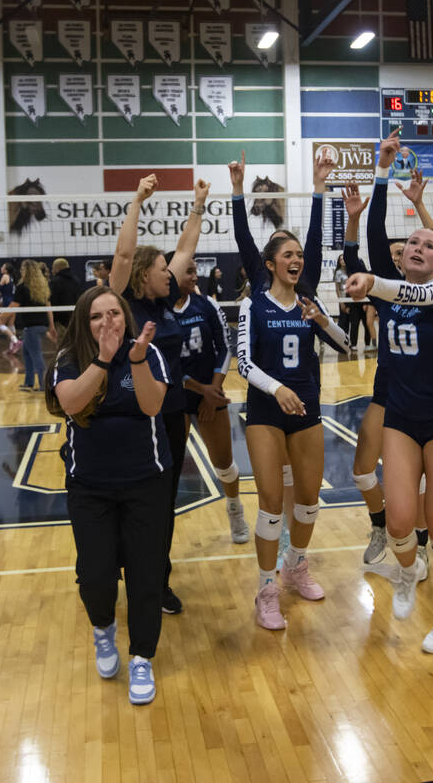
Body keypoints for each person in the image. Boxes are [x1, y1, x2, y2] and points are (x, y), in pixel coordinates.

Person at [342, 130, 433, 653]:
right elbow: (370, 246)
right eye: (412, 244)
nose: (417, 248)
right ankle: (405, 570)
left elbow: (395, 284)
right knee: (398, 521)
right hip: (400, 416)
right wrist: (381, 170)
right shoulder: (392, 291)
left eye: (428, 245)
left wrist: (373, 283)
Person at [44, 286, 169, 705]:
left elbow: (152, 406)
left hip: (145, 484)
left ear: (125, 317)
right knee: (96, 577)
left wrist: (133, 361)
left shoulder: (148, 354)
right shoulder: (69, 360)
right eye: (96, 316)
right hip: (90, 488)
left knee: (145, 575)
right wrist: (102, 359)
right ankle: (103, 629)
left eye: (113, 313)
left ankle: (142, 657)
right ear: (85, 322)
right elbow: (73, 402)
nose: (107, 322)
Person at [237, 228, 349, 630]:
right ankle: (267, 590)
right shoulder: (253, 305)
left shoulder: (308, 302)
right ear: (270, 264)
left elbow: (346, 344)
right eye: (288, 254)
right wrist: (277, 388)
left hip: (307, 408)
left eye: (299, 254)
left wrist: (321, 319)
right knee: (270, 503)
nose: (296, 260)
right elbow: (244, 364)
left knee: (308, 500)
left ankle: (296, 565)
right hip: (267, 410)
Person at [109, 175, 209, 615]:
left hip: (172, 418)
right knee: (132, 502)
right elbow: (124, 254)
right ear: (144, 275)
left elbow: (186, 248)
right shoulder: (125, 305)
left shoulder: (167, 305)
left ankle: (156, 579)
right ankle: (111, 565)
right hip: (135, 420)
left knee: (164, 505)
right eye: (164, 270)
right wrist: (136, 201)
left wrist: (199, 206)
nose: (174, 273)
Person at [173, 262, 247, 544]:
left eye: (195, 271)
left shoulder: (206, 306)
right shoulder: (159, 311)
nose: (195, 276)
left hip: (211, 394)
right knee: (169, 467)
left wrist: (212, 390)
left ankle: (234, 509)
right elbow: (165, 364)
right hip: (175, 397)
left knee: (224, 463)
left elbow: (225, 347)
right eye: (188, 272)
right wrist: (201, 389)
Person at [10, 259, 57, 391]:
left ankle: (44, 386)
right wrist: (51, 326)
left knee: (36, 355)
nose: (21, 272)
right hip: (42, 325)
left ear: (27, 271)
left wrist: (2, 316)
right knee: (27, 353)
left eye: (22, 270)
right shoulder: (43, 286)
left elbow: (14, 306)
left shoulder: (22, 287)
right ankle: (29, 383)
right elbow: (49, 308)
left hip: (31, 327)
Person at [49, 257, 82, 336]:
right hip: (74, 319)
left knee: (62, 343)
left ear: (57, 269)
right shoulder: (76, 281)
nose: (52, 270)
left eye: (53, 268)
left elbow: (52, 300)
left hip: (59, 321)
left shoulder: (54, 282)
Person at [0, 263, 21, 354]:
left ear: (6, 270)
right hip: (12, 302)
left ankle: (15, 341)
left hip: (7, 302)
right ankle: (12, 349)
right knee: (11, 325)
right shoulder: (11, 277)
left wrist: (1, 297)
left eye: (2, 266)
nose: (1, 267)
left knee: (0, 323)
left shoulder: (5, 276)